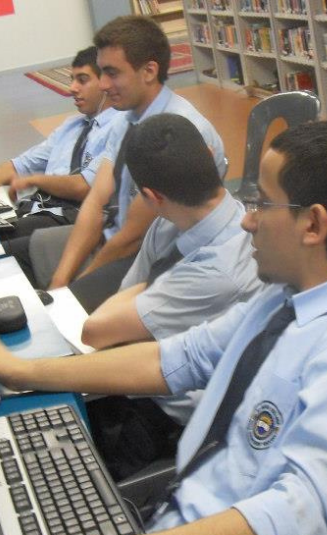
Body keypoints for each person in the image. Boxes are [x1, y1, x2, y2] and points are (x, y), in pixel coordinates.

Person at [0, 120, 327, 535]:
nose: (247, 221)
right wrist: (22, 370)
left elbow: (300, 512)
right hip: (193, 501)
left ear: (312, 225)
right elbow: (176, 358)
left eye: (263, 204)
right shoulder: (285, 297)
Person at [78, 114, 264, 478]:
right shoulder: (169, 223)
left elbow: (97, 329)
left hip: (171, 421)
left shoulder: (221, 269)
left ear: (150, 197)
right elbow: (124, 305)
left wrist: (150, 293)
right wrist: (155, 293)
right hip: (143, 374)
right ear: (210, 156)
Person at [25, 16, 226, 292]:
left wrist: (74, 289)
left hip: (158, 261)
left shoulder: (179, 132)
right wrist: (61, 279)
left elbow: (132, 239)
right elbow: (96, 202)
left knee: (69, 310)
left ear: (149, 71)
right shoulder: (125, 120)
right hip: (113, 240)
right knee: (18, 255)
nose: (104, 85)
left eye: (112, 73)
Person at [0, 47, 121, 239]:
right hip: (41, 211)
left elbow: (84, 187)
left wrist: (35, 180)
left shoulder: (119, 130)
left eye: (82, 80)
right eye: (72, 79)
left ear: (105, 83)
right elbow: (18, 166)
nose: (72, 88)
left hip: (72, 221)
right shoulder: (72, 126)